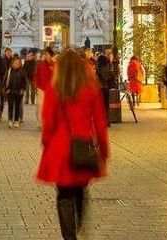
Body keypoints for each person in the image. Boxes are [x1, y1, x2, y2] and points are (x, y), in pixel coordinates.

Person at [37, 49, 110, 240]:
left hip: (60, 150)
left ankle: (69, 237)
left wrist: (46, 144)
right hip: (83, 147)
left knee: (64, 195)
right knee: (80, 189)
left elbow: (48, 121)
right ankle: (79, 226)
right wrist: (103, 150)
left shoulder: (55, 88)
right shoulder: (91, 87)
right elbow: (100, 123)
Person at [33, 47, 55, 127]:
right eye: (45, 54)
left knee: (50, 107)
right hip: (41, 88)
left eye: (47, 54)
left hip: (51, 90)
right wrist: (36, 85)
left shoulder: (54, 65)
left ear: (51, 55)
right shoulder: (40, 64)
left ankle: (49, 122)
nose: (45, 56)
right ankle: (41, 123)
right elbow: (36, 75)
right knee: (40, 106)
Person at [4, 57, 28, 128]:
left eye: (18, 63)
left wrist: (23, 89)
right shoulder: (9, 71)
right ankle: (10, 120)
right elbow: (5, 80)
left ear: (20, 64)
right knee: (10, 106)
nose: (17, 64)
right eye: (15, 63)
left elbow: (25, 82)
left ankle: (16, 120)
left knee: (17, 107)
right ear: (12, 63)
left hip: (19, 91)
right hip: (10, 91)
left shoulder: (22, 71)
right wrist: (6, 89)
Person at [94, 54, 115, 118]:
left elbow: (96, 78)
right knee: (106, 103)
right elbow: (111, 76)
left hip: (100, 88)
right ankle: (107, 119)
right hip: (106, 87)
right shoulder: (108, 68)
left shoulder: (98, 69)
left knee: (100, 104)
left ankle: (102, 118)